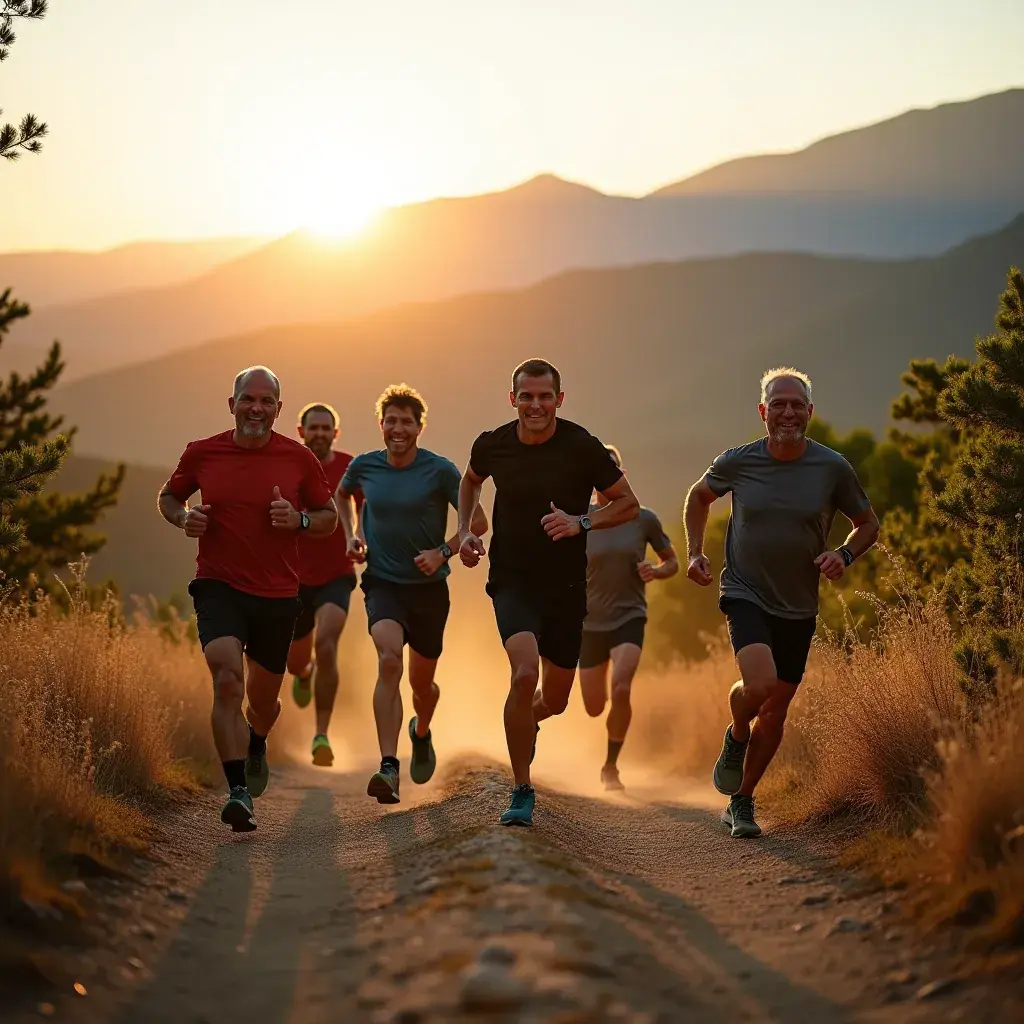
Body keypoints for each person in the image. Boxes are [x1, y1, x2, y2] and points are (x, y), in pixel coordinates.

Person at [683, 367, 879, 838]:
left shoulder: (832, 467)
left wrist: (844, 554)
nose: (787, 412)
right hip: (744, 591)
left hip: (799, 605)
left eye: (796, 405)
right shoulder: (739, 461)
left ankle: (742, 800)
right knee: (761, 683)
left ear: (810, 412)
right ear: (762, 411)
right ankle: (737, 733)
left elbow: (868, 524)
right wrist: (695, 552)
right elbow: (699, 497)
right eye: (778, 404)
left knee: (774, 711)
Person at [457, 358, 640, 827]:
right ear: (512, 398)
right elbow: (471, 479)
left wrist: (582, 522)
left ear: (559, 399)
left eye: (544, 397)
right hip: (512, 581)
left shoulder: (582, 446)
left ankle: (528, 721)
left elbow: (628, 504)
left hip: (566, 588)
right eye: (526, 396)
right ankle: (522, 788)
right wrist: (465, 530)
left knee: (555, 700)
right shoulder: (493, 444)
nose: (535, 405)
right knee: (523, 675)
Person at [158, 366, 337, 833]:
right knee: (226, 680)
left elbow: (329, 517)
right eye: (248, 399)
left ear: (278, 409)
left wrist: (298, 520)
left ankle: (258, 740)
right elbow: (169, 497)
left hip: (276, 595)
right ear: (232, 404)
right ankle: (237, 790)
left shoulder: (298, 459)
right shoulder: (202, 452)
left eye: (266, 401)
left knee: (262, 705)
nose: (256, 408)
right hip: (218, 585)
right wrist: (183, 518)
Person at [336, 384, 487, 805]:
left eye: (406, 422)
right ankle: (389, 765)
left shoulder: (440, 471)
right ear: (380, 424)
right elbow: (343, 494)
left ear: (420, 427)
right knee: (388, 660)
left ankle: (421, 731)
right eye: (391, 421)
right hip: (383, 583)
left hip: (428, 592)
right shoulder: (365, 466)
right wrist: (352, 534)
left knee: (423, 686)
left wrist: (443, 553)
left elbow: (478, 522)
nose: (398, 429)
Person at [580, 444, 679, 792]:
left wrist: (656, 570)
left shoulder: (643, 518)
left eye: (613, 472)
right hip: (589, 623)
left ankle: (611, 766)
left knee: (621, 687)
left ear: (621, 476)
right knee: (594, 707)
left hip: (629, 615)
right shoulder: (582, 519)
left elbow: (672, 562)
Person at [286, 402, 363, 768]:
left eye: (325, 428)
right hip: (293, 579)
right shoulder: (288, 466)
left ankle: (321, 735)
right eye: (313, 428)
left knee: (327, 643)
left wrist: (361, 538)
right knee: (295, 662)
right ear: (301, 432)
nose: (319, 433)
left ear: (335, 433)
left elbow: (364, 508)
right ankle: (304, 672)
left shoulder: (350, 467)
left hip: (337, 574)